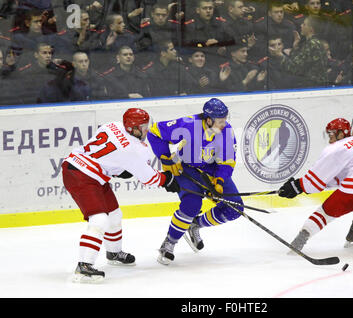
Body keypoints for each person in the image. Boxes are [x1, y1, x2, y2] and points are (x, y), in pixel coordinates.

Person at [62, 108, 180, 282]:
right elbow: (148, 177)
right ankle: (84, 267)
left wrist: (117, 170)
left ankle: (114, 253)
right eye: (143, 126)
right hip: (80, 175)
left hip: (90, 172)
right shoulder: (133, 149)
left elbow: (106, 154)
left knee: (114, 215)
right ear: (132, 128)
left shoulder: (112, 125)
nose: (147, 129)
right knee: (100, 220)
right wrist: (166, 180)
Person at [146, 98, 243, 265]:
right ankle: (169, 243)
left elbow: (227, 161)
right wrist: (165, 158)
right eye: (220, 120)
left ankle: (194, 225)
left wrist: (219, 181)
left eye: (225, 119)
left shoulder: (227, 131)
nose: (223, 124)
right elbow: (154, 132)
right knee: (192, 205)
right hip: (187, 169)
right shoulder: (188, 125)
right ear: (208, 119)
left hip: (211, 171)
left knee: (235, 208)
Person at [278, 118, 353, 251]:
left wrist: (297, 186)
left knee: (326, 211)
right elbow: (337, 177)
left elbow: (315, 182)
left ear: (342, 133)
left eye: (333, 132)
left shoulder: (338, 147)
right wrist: (308, 184)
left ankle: (303, 236)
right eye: (329, 133)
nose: (330, 136)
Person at [276, 15, 328, 88]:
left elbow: (295, 69)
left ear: (311, 29)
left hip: (313, 86)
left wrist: (280, 55)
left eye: (304, 24)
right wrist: (295, 47)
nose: (301, 25)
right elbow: (297, 61)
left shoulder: (312, 44)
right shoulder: (315, 42)